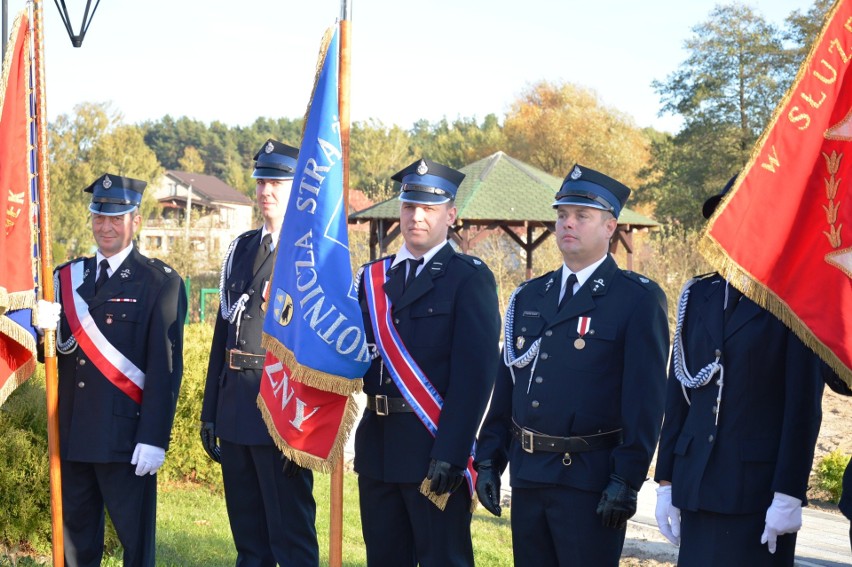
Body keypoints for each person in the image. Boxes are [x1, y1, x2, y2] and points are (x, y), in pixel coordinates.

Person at [475, 164, 669, 566]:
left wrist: (626, 479)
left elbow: (645, 402)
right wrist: (490, 458)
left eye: (582, 216)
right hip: (529, 476)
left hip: (590, 481)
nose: (568, 224)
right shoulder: (531, 295)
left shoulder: (636, 299)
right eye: (562, 215)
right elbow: (507, 384)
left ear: (610, 226)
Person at [654, 176, 825, 566]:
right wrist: (666, 480)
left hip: (756, 492)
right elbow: (678, 392)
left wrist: (788, 492)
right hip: (696, 483)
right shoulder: (698, 294)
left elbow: (802, 406)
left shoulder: (791, 300)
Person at [354, 158, 501, 567]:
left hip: (433, 450)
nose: (416, 216)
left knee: (443, 559)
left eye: (429, 209)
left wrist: (452, 452)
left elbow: (475, 377)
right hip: (378, 447)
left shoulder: (468, 278)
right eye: (408, 206)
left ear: (450, 215)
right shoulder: (373, 278)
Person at [44, 173, 186, 567]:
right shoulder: (65, 278)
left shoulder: (160, 281)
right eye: (99, 217)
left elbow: (166, 368)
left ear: (135, 222)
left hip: (127, 440)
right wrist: (37, 326)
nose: (106, 226)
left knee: (136, 547)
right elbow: (54, 355)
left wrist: (154, 438)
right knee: (76, 546)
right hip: (73, 434)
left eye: (117, 218)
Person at [200, 139, 319, 567]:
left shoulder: (310, 254)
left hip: (280, 411)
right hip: (235, 409)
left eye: (278, 182)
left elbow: (317, 351)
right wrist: (210, 410)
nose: (267, 190)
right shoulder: (241, 248)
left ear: (297, 189)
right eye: (263, 181)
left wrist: (302, 433)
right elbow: (223, 332)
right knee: (249, 541)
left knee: (291, 538)